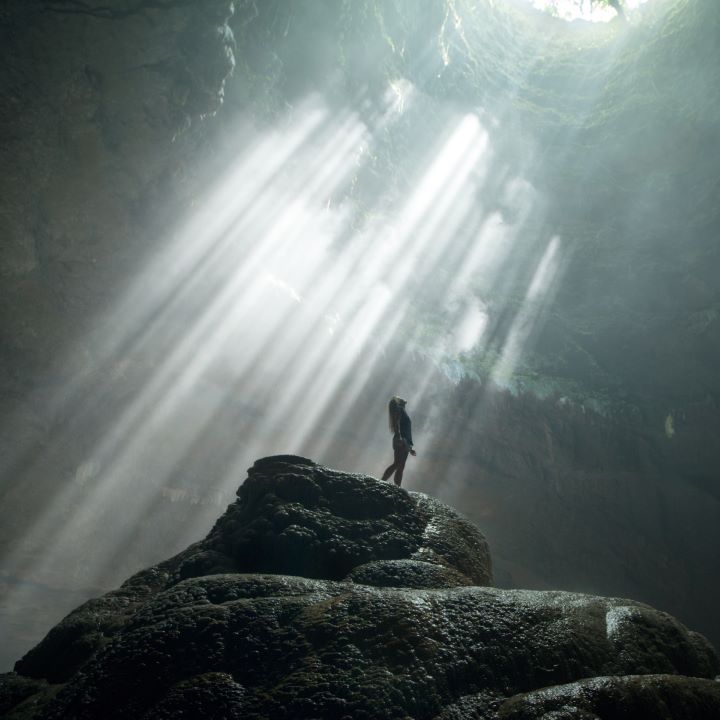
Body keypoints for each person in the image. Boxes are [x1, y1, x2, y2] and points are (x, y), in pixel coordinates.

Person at [381, 396, 416, 487]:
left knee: (401, 466)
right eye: (401, 399)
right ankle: (382, 481)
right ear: (399, 402)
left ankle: (398, 487)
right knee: (397, 464)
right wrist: (399, 437)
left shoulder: (403, 411)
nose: (404, 400)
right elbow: (396, 424)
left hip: (405, 441)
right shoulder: (400, 410)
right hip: (401, 440)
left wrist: (410, 448)